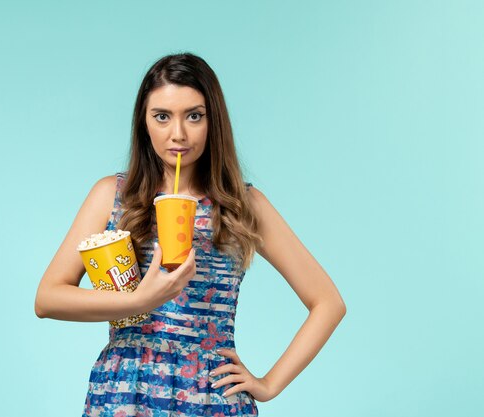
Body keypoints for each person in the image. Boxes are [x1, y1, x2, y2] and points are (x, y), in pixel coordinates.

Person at [34, 52, 347, 416]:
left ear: (213, 122)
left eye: (194, 116)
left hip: (208, 397)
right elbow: (47, 298)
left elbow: (328, 303)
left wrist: (268, 383)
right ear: (143, 123)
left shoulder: (242, 206)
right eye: (162, 117)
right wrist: (137, 302)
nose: (178, 134)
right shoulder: (113, 197)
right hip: (124, 392)